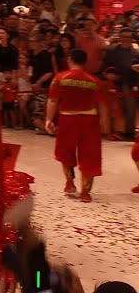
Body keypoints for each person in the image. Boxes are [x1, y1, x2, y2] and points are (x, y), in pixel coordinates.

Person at [45, 49, 106, 202]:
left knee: (66, 151)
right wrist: (104, 123)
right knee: (89, 155)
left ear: (70, 60)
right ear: (84, 62)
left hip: (68, 119)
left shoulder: (60, 78)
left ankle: (70, 183)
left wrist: (48, 119)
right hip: (90, 121)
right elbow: (103, 104)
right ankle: (85, 192)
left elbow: (52, 100)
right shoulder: (94, 81)